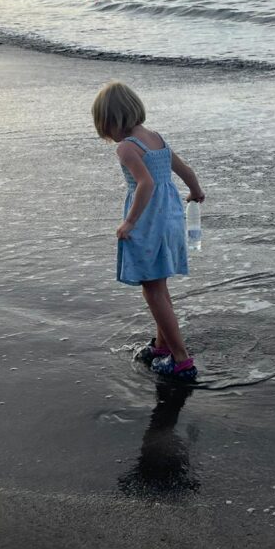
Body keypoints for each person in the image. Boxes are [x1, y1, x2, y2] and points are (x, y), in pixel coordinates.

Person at [92, 81, 205, 380]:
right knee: (159, 285)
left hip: (148, 221)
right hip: (171, 218)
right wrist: (196, 192)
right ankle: (161, 346)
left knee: (152, 290)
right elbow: (186, 171)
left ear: (111, 120)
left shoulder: (127, 147)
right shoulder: (157, 138)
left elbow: (146, 184)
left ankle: (181, 359)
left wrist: (129, 222)